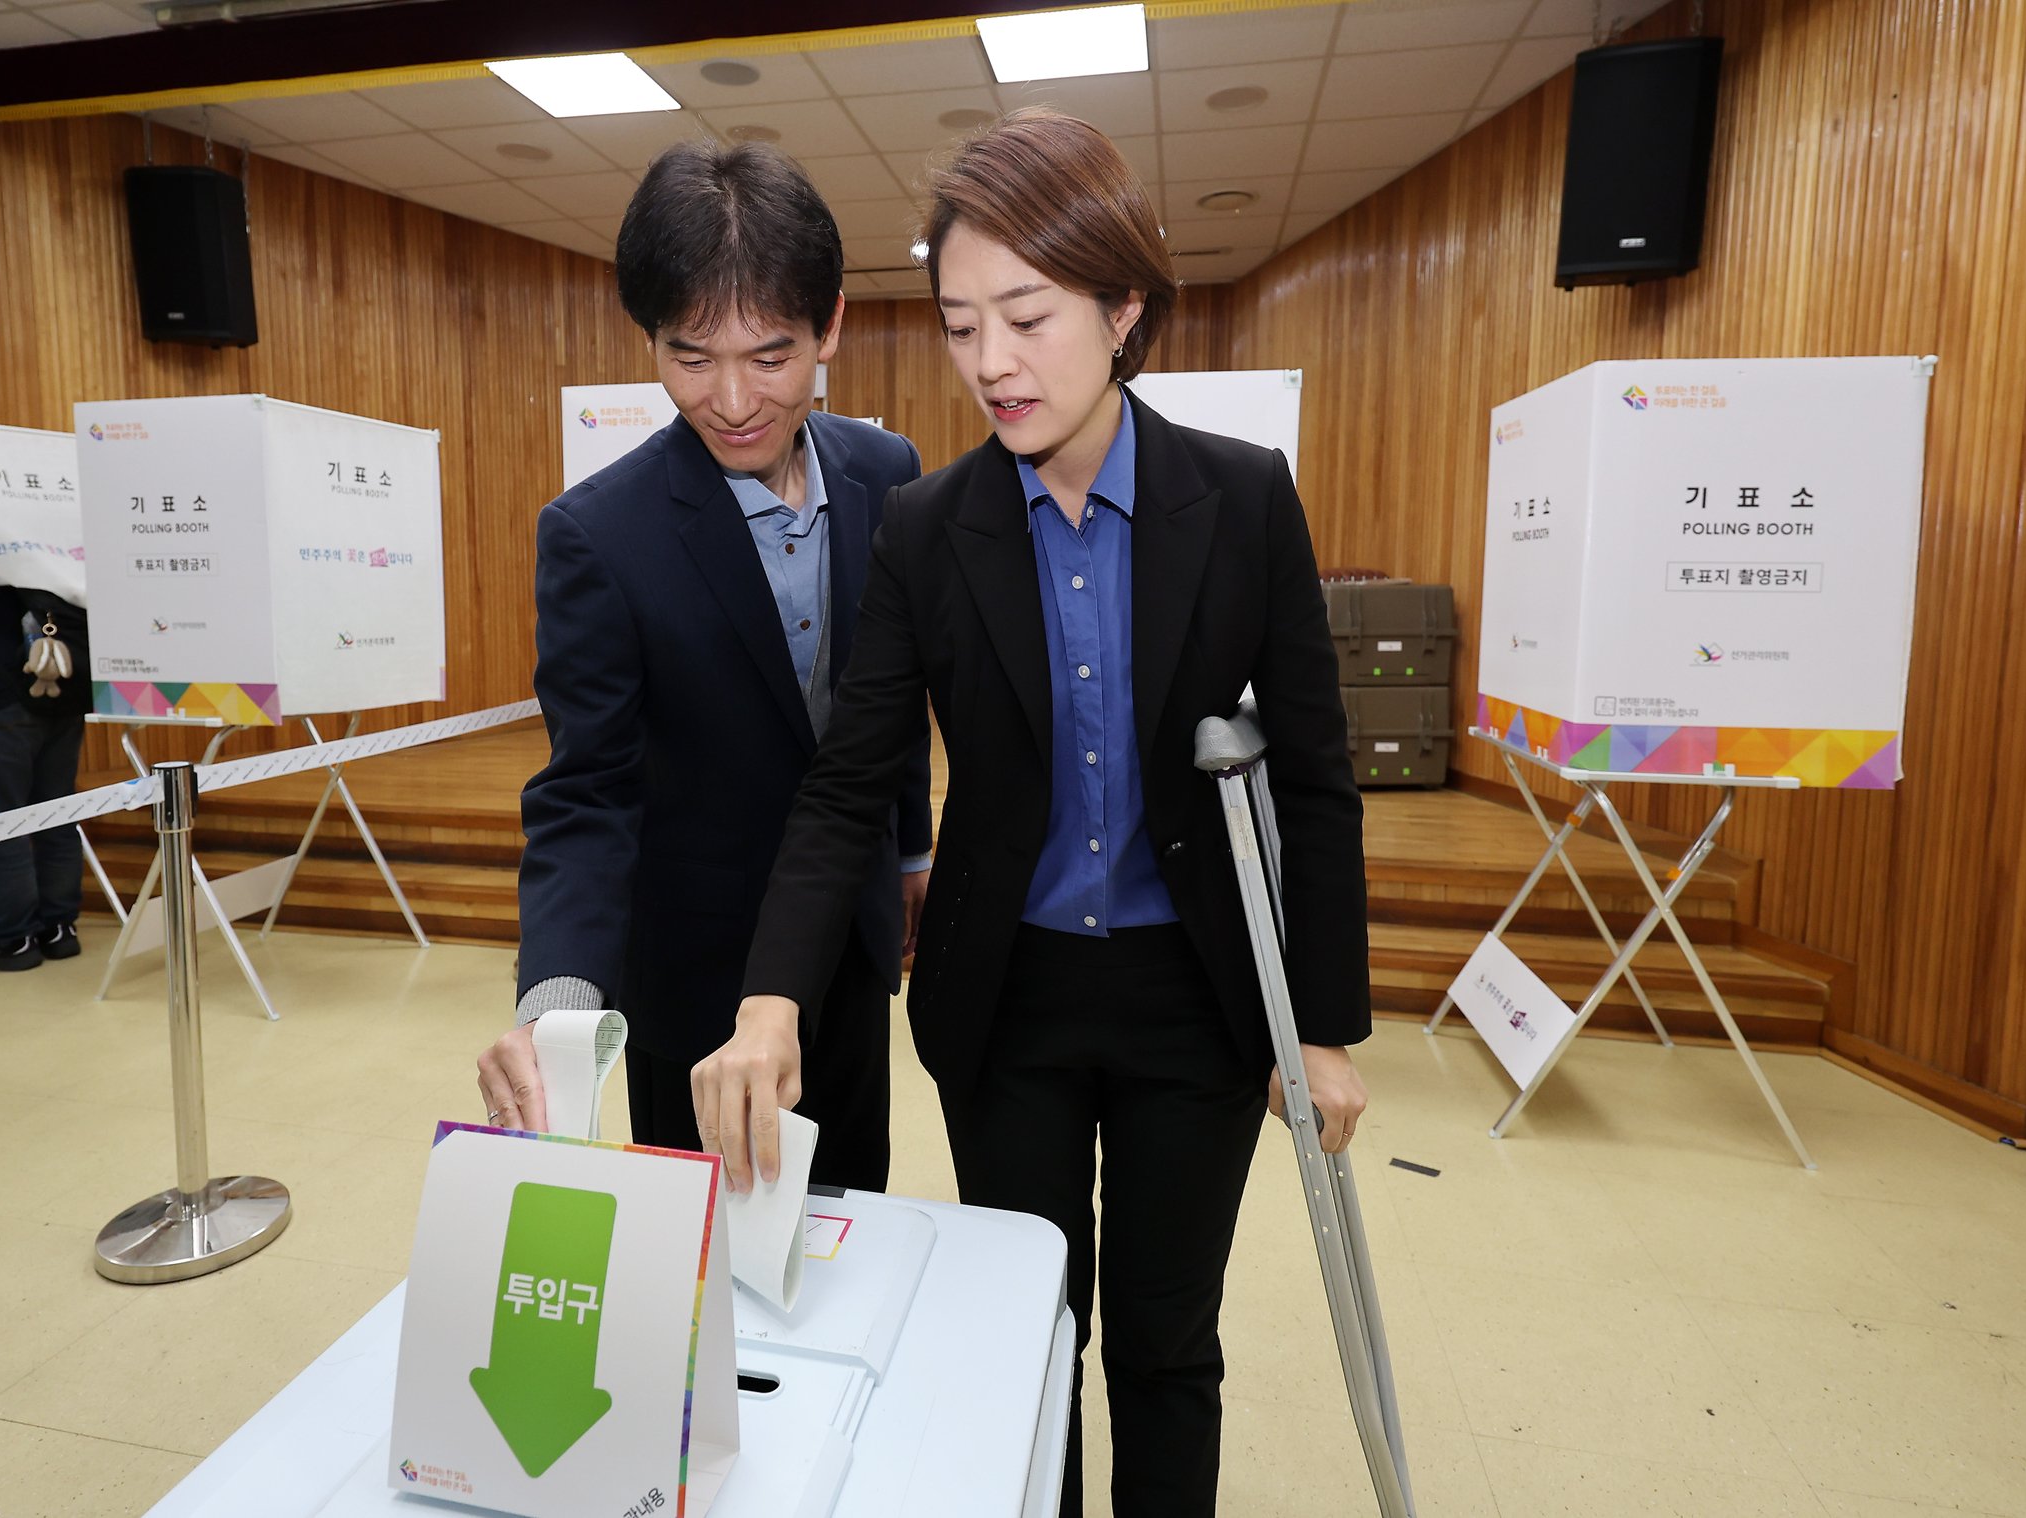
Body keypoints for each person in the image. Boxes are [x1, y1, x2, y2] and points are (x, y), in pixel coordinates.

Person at [692, 110, 1370, 1517]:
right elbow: (846, 778)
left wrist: (1317, 1025)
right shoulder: (933, 531)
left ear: (1121, 308)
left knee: (1166, 1339)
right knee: (1027, 1330)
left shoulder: (1237, 500)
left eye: (1025, 315)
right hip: (1006, 1001)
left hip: (1196, 998)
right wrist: (769, 999)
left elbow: (1311, 772)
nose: (990, 362)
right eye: (956, 326)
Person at [475, 140, 932, 1192]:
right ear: (650, 341)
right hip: (695, 974)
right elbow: (586, 792)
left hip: (852, 948)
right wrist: (556, 1005)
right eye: (690, 356)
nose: (731, 400)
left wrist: (908, 851)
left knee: (850, 1216)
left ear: (831, 328)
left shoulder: (886, 472)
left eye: (770, 356)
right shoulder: (599, 533)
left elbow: (888, 700)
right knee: (707, 1271)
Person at [0, 584, 89, 971]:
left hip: (5, 696)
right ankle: (59, 928)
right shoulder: (51, 552)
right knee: (58, 813)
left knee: (6, 820)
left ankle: (15, 938)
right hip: (68, 695)